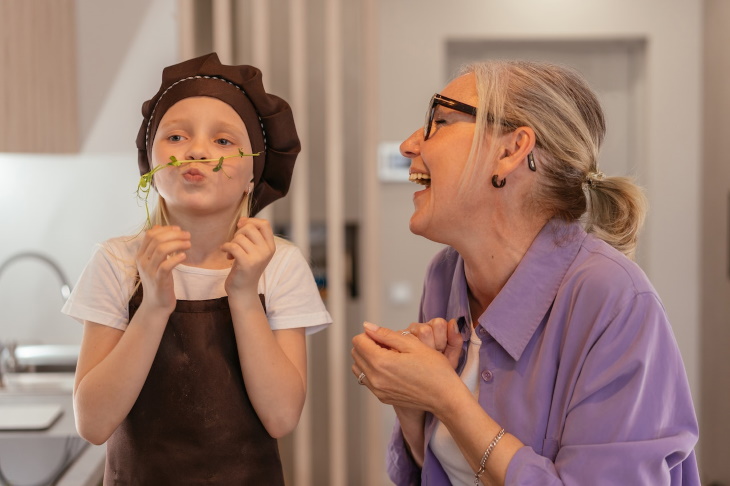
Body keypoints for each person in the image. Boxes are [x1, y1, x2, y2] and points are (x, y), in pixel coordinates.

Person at [351, 60, 699, 485]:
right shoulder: (446, 275)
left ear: (512, 150)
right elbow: (436, 473)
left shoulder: (613, 298)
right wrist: (413, 407)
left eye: (439, 121)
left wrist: (447, 398)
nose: (408, 145)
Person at [62, 53, 331, 484]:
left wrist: (244, 295)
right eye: (176, 136)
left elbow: (281, 417)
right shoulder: (117, 262)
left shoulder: (279, 265)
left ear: (252, 175)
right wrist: (152, 306)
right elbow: (92, 424)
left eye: (223, 141)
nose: (198, 150)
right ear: (151, 164)